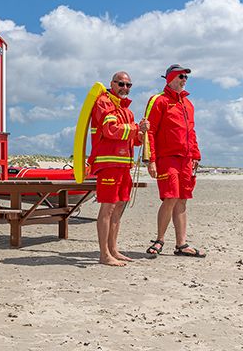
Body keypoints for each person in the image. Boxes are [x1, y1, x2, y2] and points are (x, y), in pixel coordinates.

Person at [88, 71, 150, 266]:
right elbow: (110, 130)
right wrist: (135, 129)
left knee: (120, 206)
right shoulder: (104, 102)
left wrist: (141, 135)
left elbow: (131, 138)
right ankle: (104, 254)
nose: (125, 88)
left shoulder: (127, 110)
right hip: (108, 164)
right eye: (121, 84)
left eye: (128, 85)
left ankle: (113, 249)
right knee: (108, 207)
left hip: (124, 166)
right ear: (112, 84)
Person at [144, 64, 206, 257]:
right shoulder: (158, 100)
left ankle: (181, 244)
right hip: (167, 158)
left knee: (182, 200)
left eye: (186, 77)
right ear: (170, 78)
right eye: (180, 76)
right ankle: (159, 240)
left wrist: (196, 155)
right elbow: (149, 131)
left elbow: (191, 132)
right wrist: (150, 160)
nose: (184, 80)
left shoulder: (188, 104)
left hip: (186, 160)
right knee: (170, 197)